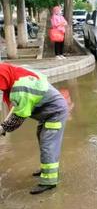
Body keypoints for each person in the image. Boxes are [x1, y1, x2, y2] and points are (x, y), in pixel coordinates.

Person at [0, 63, 68, 194]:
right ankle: (47, 168)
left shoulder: (21, 89)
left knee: (48, 144)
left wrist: (4, 128)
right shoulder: (18, 73)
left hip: (55, 113)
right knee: (43, 139)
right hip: (47, 113)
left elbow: (19, 117)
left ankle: (49, 181)